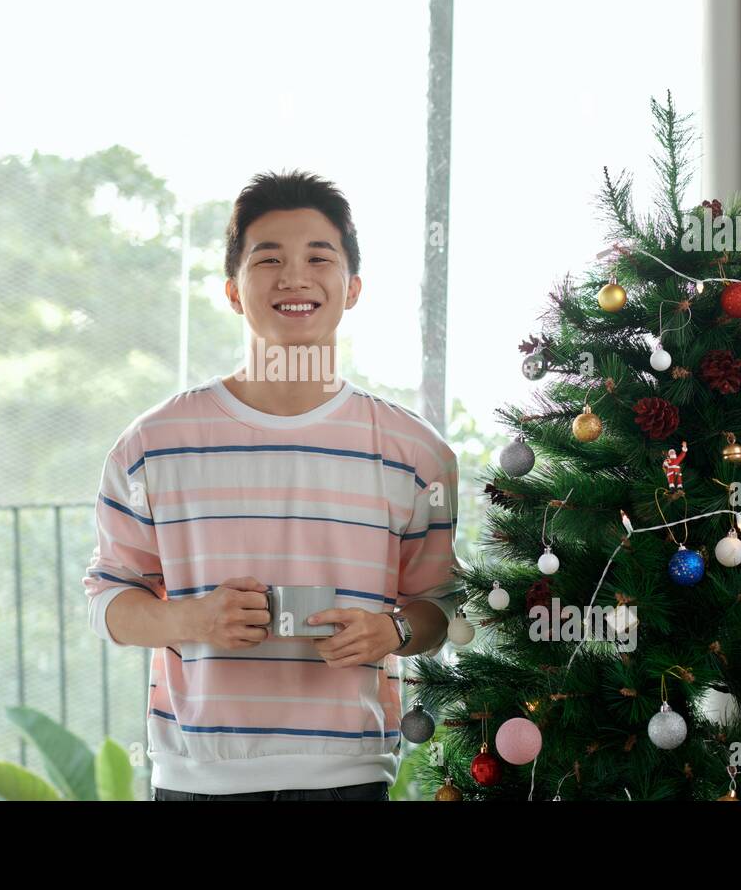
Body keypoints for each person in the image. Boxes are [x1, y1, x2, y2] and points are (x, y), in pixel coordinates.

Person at [82, 169, 464, 801]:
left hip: (352, 777)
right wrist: (195, 618)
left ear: (354, 288)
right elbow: (106, 603)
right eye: (269, 260)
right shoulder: (151, 445)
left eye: (319, 257)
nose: (295, 277)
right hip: (196, 777)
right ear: (233, 291)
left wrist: (391, 630)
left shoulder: (417, 452)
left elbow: (441, 608)